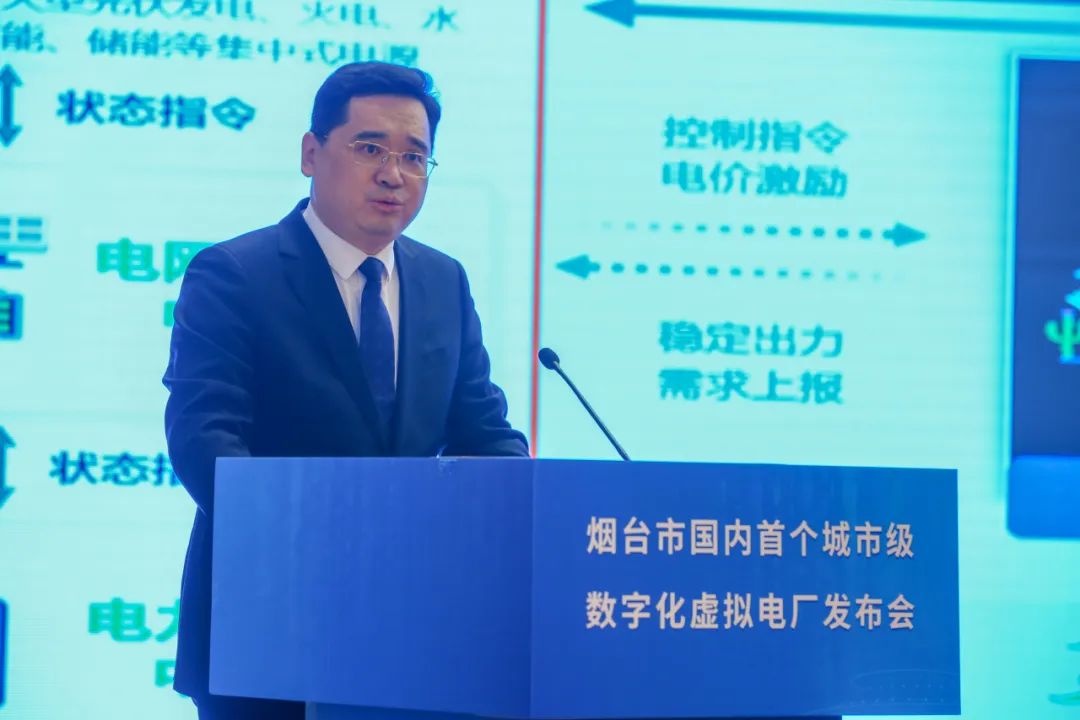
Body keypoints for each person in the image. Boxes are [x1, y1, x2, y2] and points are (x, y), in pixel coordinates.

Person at [163, 61, 528, 720]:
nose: (394, 174)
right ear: (311, 153)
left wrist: (518, 502)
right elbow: (205, 440)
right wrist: (315, 545)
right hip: (267, 622)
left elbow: (484, 431)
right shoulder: (236, 274)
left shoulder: (443, 280)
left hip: (416, 626)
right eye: (370, 148)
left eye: (414, 157)